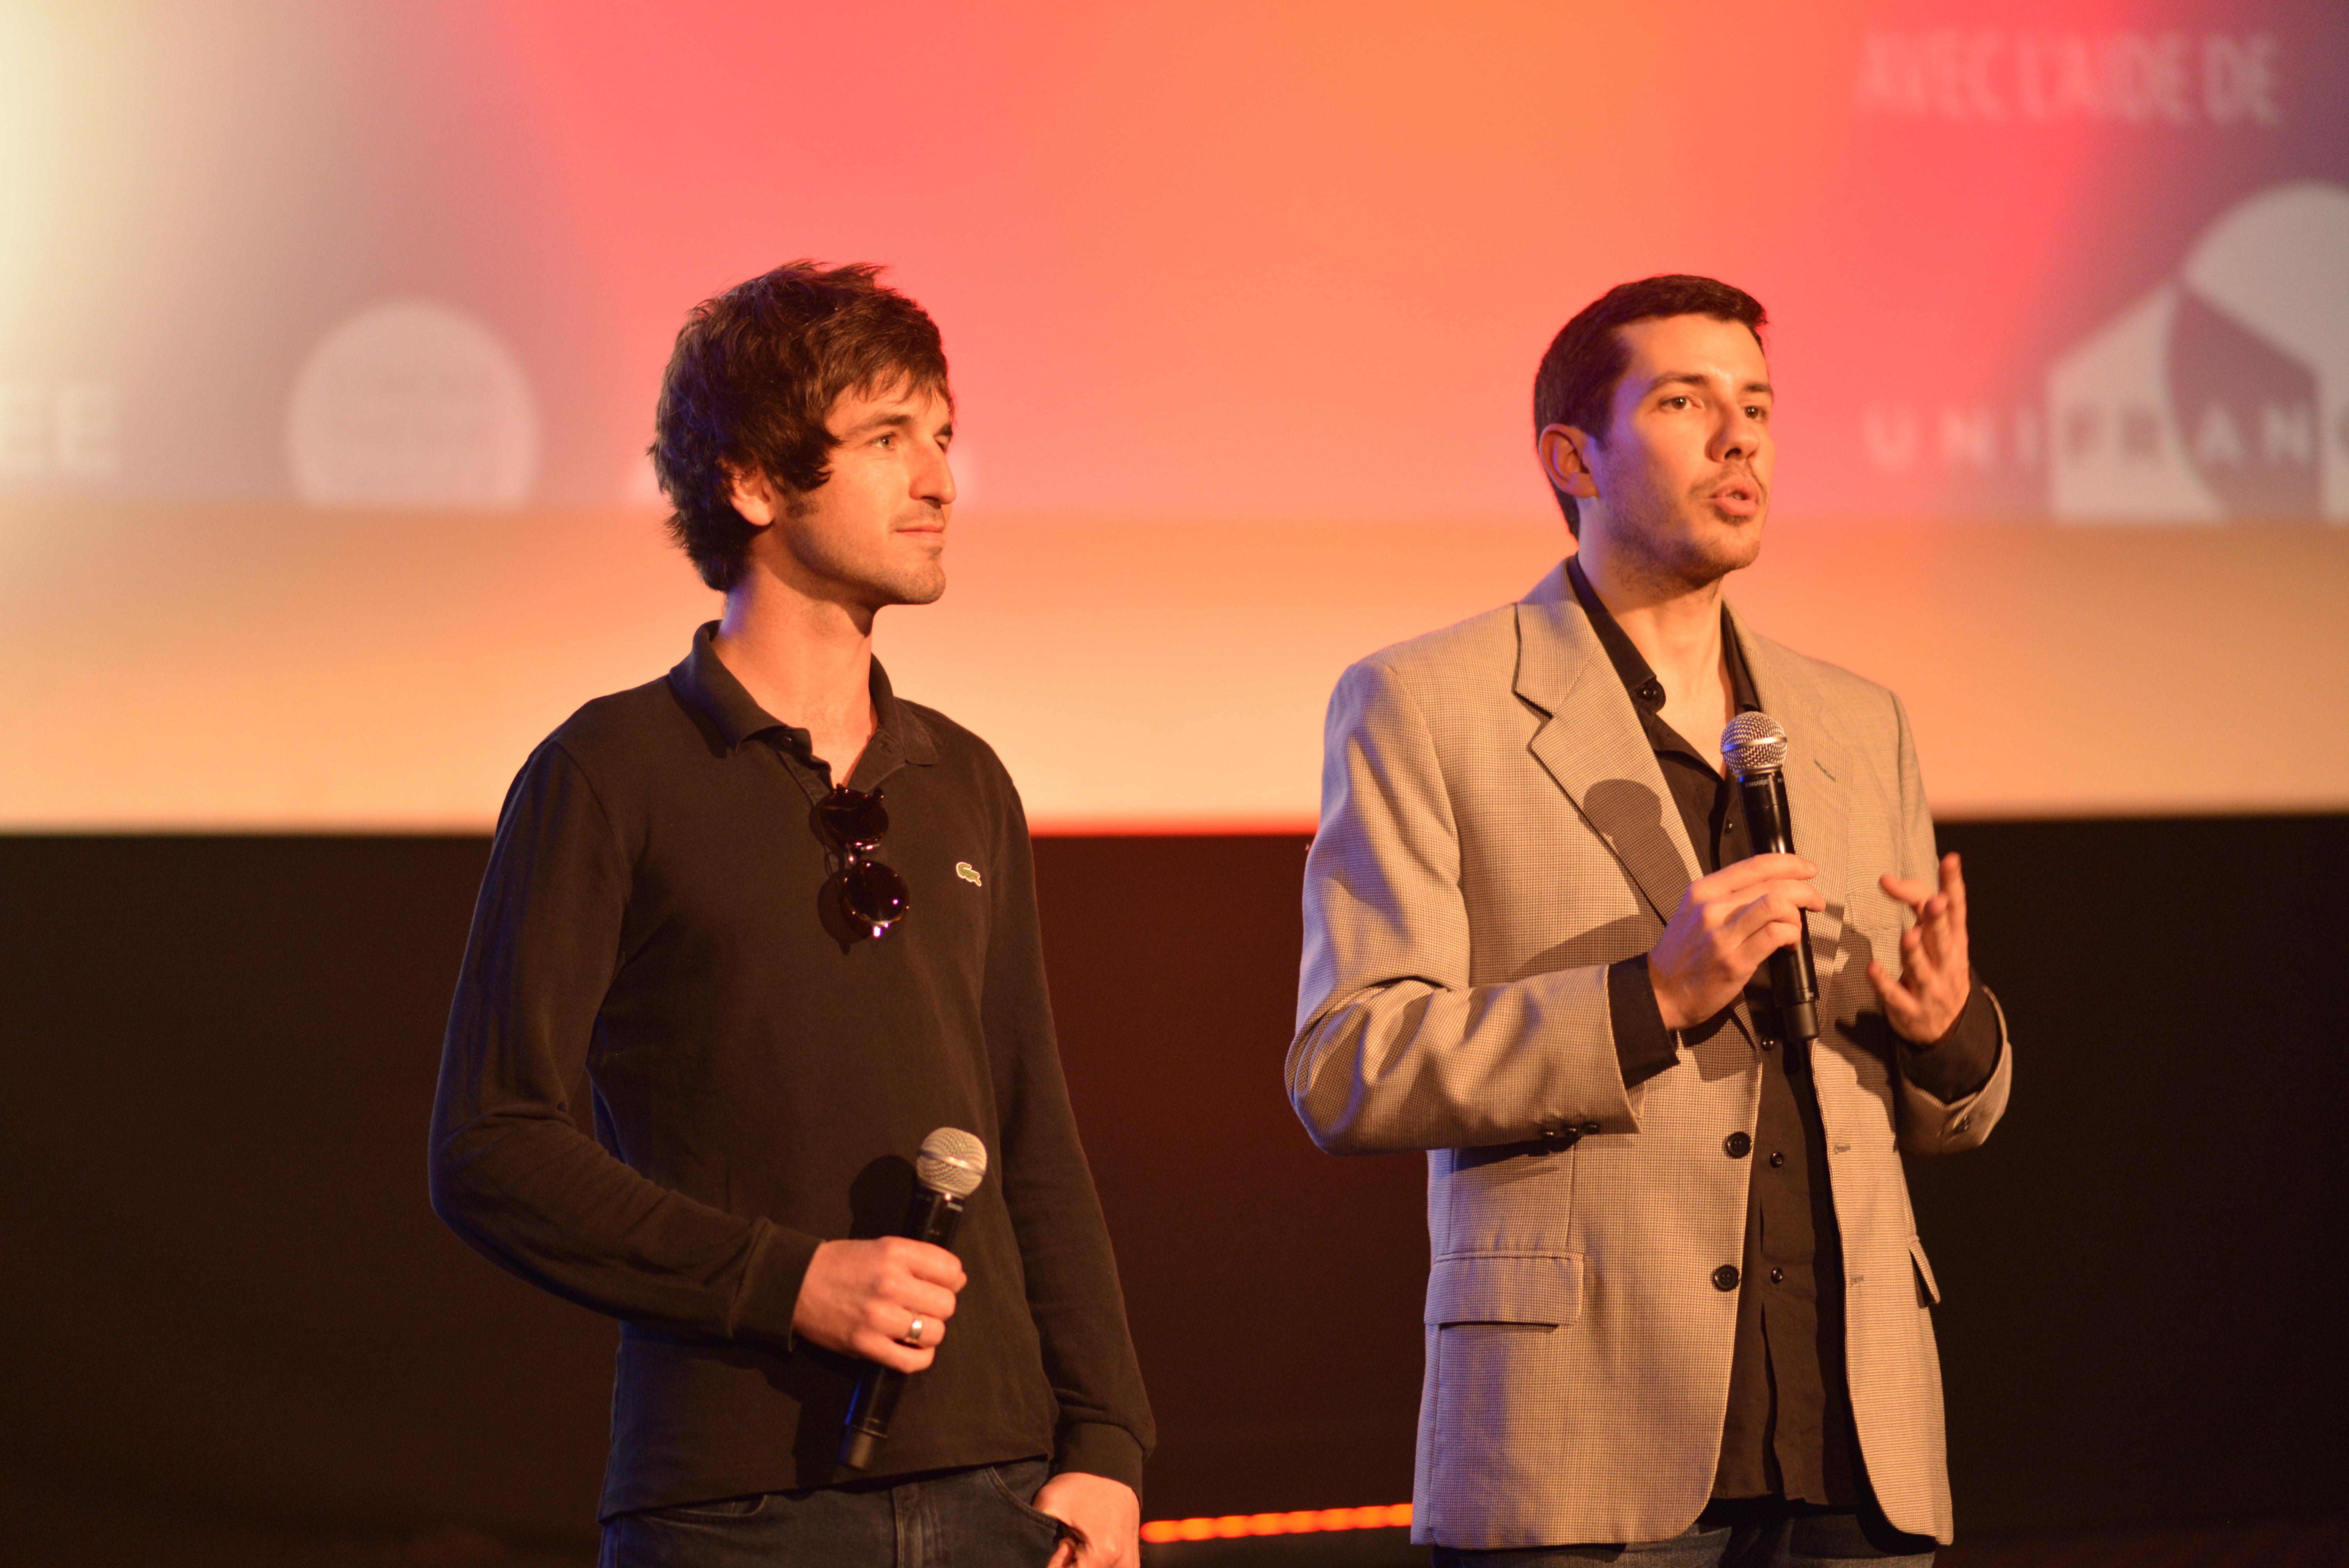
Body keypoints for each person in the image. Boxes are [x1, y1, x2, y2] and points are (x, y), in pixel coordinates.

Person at [430, 262, 1151, 1568]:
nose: (939, 480)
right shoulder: (611, 772)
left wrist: (1105, 1439)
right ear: (754, 482)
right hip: (737, 1504)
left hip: (999, 1482)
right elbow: (493, 1144)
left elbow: (1030, 1125)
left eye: (944, 437)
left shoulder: (965, 778)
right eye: (887, 438)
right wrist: (791, 1282)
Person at [1288, 276, 2010, 1566]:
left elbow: (1942, 1117)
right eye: (1685, 404)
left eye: (1759, 408)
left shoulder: (1858, 724)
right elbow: (1348, 1066)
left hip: (1855, 1444)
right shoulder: (1427, 703)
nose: (1740, 441)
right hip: (1587, 1441)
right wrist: (1648, 1000)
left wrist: (1947, 1034)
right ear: (1574, 459)